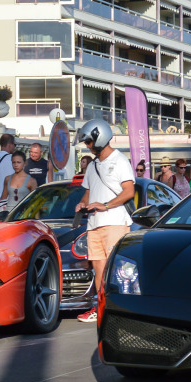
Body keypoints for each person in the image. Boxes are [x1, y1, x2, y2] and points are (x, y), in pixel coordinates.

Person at [74, 119, 134, 324]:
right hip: (94, 224)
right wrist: (82, 204)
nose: (87, 146)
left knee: (115, 270)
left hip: (115, 222)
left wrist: (105, 205)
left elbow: (129, 192)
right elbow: (88, 193)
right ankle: (100, 309)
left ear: (100, 138)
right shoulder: (92, 166)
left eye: (89, 142)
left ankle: (123, 312)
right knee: (98, 270)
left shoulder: (120, 161)